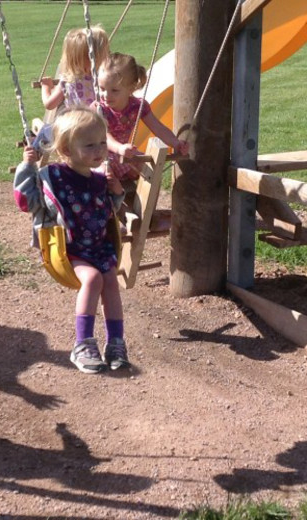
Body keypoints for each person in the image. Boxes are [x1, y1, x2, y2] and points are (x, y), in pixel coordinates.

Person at [13, 107, 128, 374]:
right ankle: (83, 344)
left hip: (99, 248)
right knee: (93, 279)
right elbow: (24, 202)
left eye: (102, 142)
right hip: (68, 250)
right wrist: (26, 166)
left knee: (111, 281)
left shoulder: (100, 179)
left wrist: (117, 192)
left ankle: (116, 344)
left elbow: (107, 209)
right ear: (65, 149)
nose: (99, 150)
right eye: (89, 145)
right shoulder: (52, 177)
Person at [93, 52, 188, 193]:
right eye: (102, 89)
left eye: (114, 90)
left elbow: (159, 128)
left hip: (121, 153)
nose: (106, 95)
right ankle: (114, 203)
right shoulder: (99, 108)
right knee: (105, 174)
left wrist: (176, 143)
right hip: (98, 153)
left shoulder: (137, 106)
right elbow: (104, 136)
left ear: (131, 89)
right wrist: (120, 148)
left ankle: (145, 207)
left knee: (148, 169)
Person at [33, 26, 110, 148]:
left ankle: (32, 157)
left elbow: (49, 104)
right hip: (101, 128)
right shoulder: (104, 79)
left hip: (73, 129)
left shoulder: (69, 81)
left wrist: (46, 87)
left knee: (45, 130)